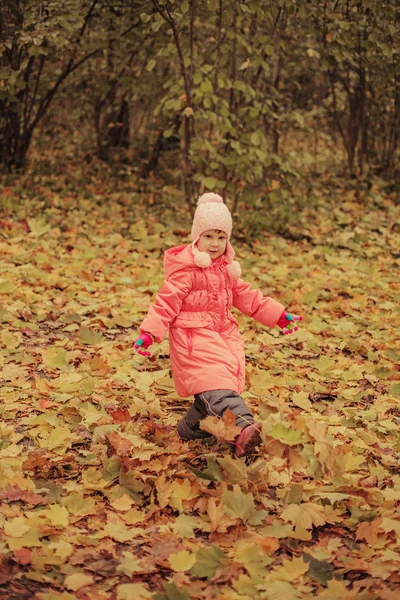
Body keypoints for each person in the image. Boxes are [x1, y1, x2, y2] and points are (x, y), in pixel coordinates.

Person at [134, 193, 302, 457]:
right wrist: (149, 334)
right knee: (218, 386)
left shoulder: (226, 270)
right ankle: (242, 429)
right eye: (209, 236)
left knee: (211, 391)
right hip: (193, 339)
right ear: (197, 237)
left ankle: (192, 428)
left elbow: (247, 296)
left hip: (222, 335)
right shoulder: (186, 271)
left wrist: (278, 315)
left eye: (221, 237)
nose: (215, 244)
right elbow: (165, 303)